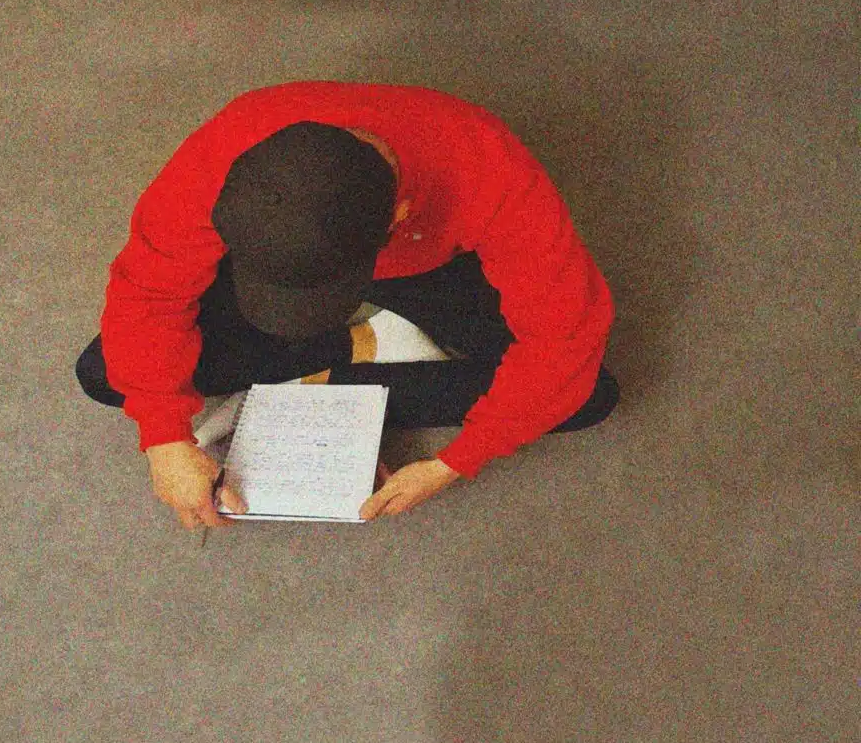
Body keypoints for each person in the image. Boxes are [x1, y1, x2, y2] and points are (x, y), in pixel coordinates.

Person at [76, 81, 619, 533]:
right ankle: (364, 344)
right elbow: (148, 294)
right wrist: (163, 437)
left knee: (586, 392)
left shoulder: (486, 166)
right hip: (277, 257)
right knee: (104, 372)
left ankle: (331, 359)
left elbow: (563, 336)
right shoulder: (225, 150)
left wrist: (454, 462)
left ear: (398, 216)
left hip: (430, 265)